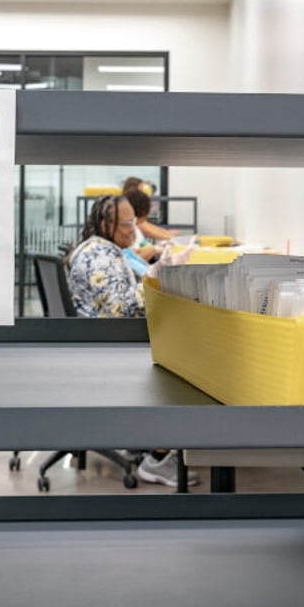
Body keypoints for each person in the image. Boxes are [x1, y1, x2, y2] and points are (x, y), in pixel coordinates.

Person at [67, 195, 199, 487]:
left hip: (99, 347)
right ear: (105, 223)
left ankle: (143, 439)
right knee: (186, 368)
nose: (133, 230)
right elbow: (121, 310)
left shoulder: (101, 249)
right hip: (110, 352)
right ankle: (158, 457)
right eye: (126, 224)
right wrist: (161, 277)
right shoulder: (100, 257)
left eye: (132, 223)